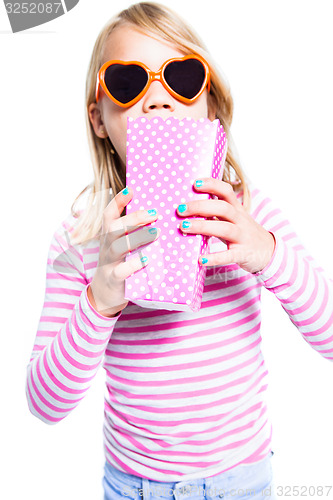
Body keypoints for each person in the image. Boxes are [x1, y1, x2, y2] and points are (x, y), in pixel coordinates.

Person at [25, 2, 333, 499]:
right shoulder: (81, 241)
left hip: (244, 482)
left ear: (209, 106)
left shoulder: (247, 216)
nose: (157, 101)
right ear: (99, 118)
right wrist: (101, 297)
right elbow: (43, 403)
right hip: (133, 487)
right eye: (128, 83)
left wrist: (268, 253)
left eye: (181, 78)